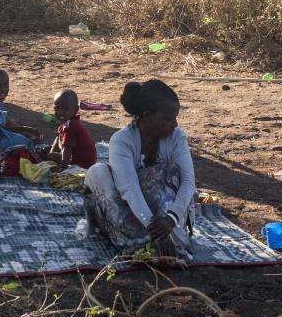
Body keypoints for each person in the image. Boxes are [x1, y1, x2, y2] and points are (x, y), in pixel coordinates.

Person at [83, 79, 196, 263]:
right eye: (168, 118)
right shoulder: (121, 141)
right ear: (147, 115)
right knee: (98, 172)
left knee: (171, 171)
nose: (175, 124)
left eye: (175, 118)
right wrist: (153, 227)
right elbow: (129, 189)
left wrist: (171, 219)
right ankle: (139, 241)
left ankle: (156, 240)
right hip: (131, 213)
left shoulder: (177, 138)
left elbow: (188, 182)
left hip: (166, 220)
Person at [45, 89, 99, 169]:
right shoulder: (68, 123)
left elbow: (67, 150)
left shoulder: (70, 127)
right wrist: (50, 155)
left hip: (81, 164)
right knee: (50, 155)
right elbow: (57, 140)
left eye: (65, 109)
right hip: (85, 161)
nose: (60, 112)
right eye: (57, 109)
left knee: (50, 156)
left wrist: (62, 169)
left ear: (76, 109)